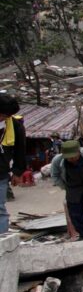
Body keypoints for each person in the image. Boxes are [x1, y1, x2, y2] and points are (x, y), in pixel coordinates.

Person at [0, 94, 26, 231]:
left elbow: (20, 150)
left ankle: (2, 243)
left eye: (6, 116)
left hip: (1, 173)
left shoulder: (15, 126)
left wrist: (17, 172)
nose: (4, 118)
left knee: (0, 210)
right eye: (2, 115)